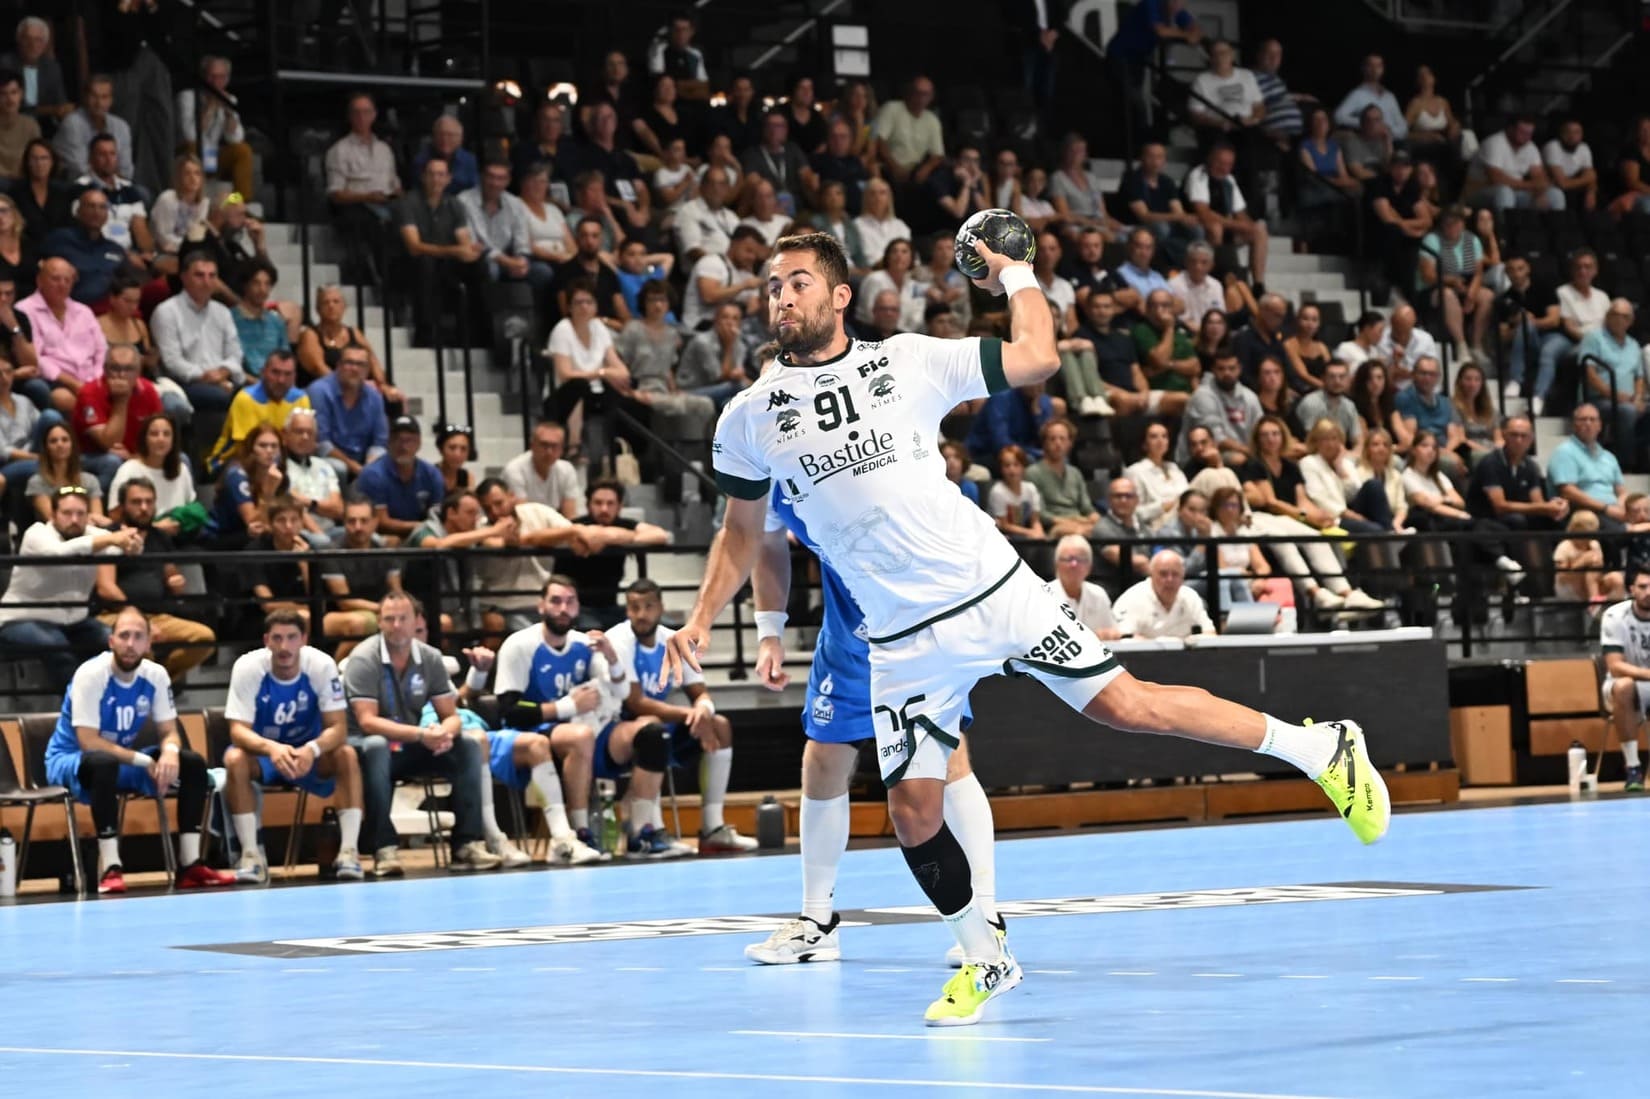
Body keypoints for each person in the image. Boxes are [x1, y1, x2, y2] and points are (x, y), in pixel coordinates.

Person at [670, 230, 1389, 1025]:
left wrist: (1016, 272)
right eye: (772, 285)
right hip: (901, 639)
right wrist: (703, 620)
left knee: (1128, 707)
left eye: (798, 282)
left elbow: (1037, 357)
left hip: (992, 590)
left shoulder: (906, 360)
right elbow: (744, 535)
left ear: (840, 296)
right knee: (911, 811)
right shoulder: (745, 418)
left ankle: (1322, 748)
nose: (781, 297)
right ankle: (985, 957)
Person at [744, 477, 1006, 965]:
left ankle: (986, 918)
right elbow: (765, 537)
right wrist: (769, 632)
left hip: (918, 633)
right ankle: (817, 922)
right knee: (822, 761)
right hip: (849, 639)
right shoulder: (777, 472)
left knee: (947, 762)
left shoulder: (887, 453)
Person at [43, 607, 235, 894]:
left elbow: (169, 730)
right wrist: (145, 759)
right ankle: (111, 868)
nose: (130, 643)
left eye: (137, 637)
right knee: (104, 762)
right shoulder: (91, 674)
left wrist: (169, 752)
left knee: (192, 764)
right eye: (124, 636)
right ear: (111, 641)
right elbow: (88, 741)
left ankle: (190, 864)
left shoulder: (155, 675)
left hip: (119, 758)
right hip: (69, 759)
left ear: (148, 643)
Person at [493, 575, 682, 857]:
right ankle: (581, 833)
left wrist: (613, 658)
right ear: (541, 606)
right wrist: (566, 707)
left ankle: (640, 832)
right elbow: (509, 711)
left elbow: (619, 691)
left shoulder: (584, 643)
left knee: (652, 731)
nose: (563, 608)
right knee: (580, 736)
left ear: (578, 607)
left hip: (590, 730)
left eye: (570, 602)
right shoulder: (520, 645)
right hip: (537, 732)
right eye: (555, 601)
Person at [343, 591, 503, 876]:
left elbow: (451, 715)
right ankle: (384, 848)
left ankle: (467, 843)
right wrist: (421, 734)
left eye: (402, 618)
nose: (396, 625)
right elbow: (367, 722)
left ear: (416, 620)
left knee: (466, 744)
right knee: (378, 745)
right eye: (389, 619)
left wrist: (443, 733)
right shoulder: (363, 658)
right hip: (364, 748)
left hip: (410, 744)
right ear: (379, 622)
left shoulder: (429, 658)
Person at [608, 578, 757, 853]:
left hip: (659, 728)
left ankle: (712, 828)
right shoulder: (619, 639)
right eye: (634, 607)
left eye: (648, 607)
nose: (641, 615)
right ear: (626, 610)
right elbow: (636, 702)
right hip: (618, 731)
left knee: (720, 725)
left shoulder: (673, 639)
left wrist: (703, 711)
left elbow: (700, 692)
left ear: (661, 607)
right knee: (650, 727)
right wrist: (690, 714)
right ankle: (650, 831)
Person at [222, 610, 364, 883]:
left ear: (304, 639)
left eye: (291, 638)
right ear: (266, 640)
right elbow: (237, 731)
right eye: (277, 638)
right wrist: (272, 749)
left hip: (309, 754)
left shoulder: (321, 665)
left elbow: (339, 728)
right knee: (235, 759)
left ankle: (349, 852)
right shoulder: (247, 667)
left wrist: (312, 749)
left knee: (346, 754)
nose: (284, 646)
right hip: (266, 755)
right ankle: (251, 855)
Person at [0, 484, 140, 689]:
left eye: (80, 513)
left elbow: (122, 549)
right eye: (67, 513)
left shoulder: (94, 535)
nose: (74, 520)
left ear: (87, 515)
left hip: (75, 621)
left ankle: (121, 701)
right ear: (53, 515)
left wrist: (133, 545)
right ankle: (78, 708)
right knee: (55, 644)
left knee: (114, 641)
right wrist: (112, 538)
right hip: (21, 619)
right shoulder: (37, 534)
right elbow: (59, 553)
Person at [554, 478, 671, 628]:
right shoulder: (575, 526)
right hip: (578, 608)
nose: (604, 509)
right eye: (598, 503)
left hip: (612, 608)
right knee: (593, 631)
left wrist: (610, 537)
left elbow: (660, 535)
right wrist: (621, 537)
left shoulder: (624, 525)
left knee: (668, 625)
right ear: (588, 505)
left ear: (619, 506)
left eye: (610, 504)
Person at [1466, 414, 1569, 571]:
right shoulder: (1491, 463)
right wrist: (1545, 507)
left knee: (1557, 521)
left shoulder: (1530, 466)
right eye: (1514, 435)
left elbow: (1537, 503)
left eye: (1524, 436)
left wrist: (1555, 507)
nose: (1519, 440)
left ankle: (1560, 566)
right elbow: (1500, 506)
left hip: (1518, 518)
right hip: (1489, 518)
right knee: (1515, 520)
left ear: (1531, 439)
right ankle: (1516, 569)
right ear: (1504, 435)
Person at [152, 252, 245, 418]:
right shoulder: (167, 311)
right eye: (199, 275)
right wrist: (209, 376)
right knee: (224, 397)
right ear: (184, 277)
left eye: (212, 276)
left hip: (222, 379)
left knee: (259, 395)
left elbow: (235, 353)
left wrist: (223, 372)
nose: (207, 282)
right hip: (185, 383)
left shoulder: (222, 311)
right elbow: (172, 362)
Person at [16, 257, 104, 418]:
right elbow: (36, 358)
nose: (62, 284)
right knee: (63, 399)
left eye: (67, 280)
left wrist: (96, 380)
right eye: (55, 279)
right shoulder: (24, 310)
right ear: (39, 281)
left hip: (92, 379)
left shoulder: (84, 311)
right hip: (56, 381)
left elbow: (101, 350)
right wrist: (74, 384)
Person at [74, 344, 162, 490]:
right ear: (105, 370)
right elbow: (109, 443)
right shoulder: (89, 393)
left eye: (128, 369)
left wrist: (135, 457)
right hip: (92, 456)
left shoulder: (148, 391)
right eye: (115, 368)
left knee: (180, 459)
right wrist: (122, 400)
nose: (121, 375)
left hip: (135, 454)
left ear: (138, 371)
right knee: (112, 461)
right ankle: (96, 507)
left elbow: (160, 437)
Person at [206, 349, 308, 473]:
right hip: (231, 462)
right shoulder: (246, 399)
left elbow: (303, 443)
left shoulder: (301, 398)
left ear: (295, 377)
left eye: (287, 374)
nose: (281, 380)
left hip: (281, 460)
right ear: (263, 372)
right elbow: (247, 449)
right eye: (275, 372)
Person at [1417, 205, 1494, 366]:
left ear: (1462, 224)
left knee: (1487, 296)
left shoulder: (1472, 240)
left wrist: (1472, 294)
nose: (1452, 227)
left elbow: (1478, 272)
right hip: (1436, 286)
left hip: (1465, 284)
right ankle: (1461, 345)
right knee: (1448, 295)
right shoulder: (1432, 240)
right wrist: (1451, 281)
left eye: (1456, 222)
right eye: (1448, 223)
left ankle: (1477, 344)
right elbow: (1428, 275)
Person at [1184, 143, 1269, 287]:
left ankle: (1258, 284)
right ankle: (1217, 274)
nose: (1224, 168)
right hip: (1198, 225)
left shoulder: (1229, 180)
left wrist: (1249, 226)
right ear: (1211, 159)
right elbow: (1203, 212)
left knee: (1260, 228)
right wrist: (1236, 224)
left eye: (1228, 164)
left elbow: (1240, 213)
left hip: (1227, 225)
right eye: (1220, 163)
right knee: (1215, 228)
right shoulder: (1198, 175)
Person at [355, 415, 445, 541]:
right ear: (388, 442)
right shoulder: (373, 474)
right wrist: (421, 526)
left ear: (419, 443)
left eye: (409, 440)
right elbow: (381, 522)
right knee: (392, 540)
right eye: (397, 440)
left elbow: (437, 515)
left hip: (422, 536)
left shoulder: (432, 474)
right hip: (380, 536)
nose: (403, 446)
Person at [1600, 571, 1650, 791]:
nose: (1649, 592)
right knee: (1624, 687)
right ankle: (1633, 768)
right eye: (1643, 586)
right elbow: (1615, 666)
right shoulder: (1614, 615)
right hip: (1622, 684)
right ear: (1632, 589)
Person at [307, 343, 388, 479]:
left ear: (368, 370)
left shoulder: (375, 397)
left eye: (360, 364)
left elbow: (379, 442)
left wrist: (370, 464)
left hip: (364, 461)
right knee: (339, 468)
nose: (355, 369)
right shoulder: (320, 391)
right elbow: (321, 443)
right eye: (349, 363)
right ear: (338, 366)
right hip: (329, 459)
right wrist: (354, 467)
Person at [1578, 299, 1646, 461]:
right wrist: (1613, 394)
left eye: (1624, 316)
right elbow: (1589, 372)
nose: (1619, 319)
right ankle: (1625, 464)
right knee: (1627, 412)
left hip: (1627, 400)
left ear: (1631, 321)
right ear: (1607, 316)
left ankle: (1643, 461)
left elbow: (1639, 377)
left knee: (1640, 410)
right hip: (1597, 400)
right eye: (1614, 314)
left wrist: (1637, 398)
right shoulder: (1594, 337)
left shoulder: (1633, 344)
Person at [1121, 142, 1203, 267]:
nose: (1155, 161)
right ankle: (1173, 263)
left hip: (1169, 225)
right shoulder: (1132, 180)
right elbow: (1144, 216)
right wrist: (1178, 217)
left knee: (1196, 229)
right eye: (1151, 157)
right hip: (1139, 226)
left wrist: (1186, 219)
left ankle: (1196, 260)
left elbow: (1178, 211)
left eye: (1159, 157)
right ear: (1142, 158)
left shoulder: (1167, 181)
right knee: (1161, 228)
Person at [1548, 404, 1628, 531]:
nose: (1588, 423)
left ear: (1600, 425)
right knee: (1618, 530)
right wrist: (1606, 508)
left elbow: (1621, 491)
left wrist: (1625, 506)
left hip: (1612, 510)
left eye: (1592, 419)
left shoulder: (1609, 456)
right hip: (1583, 512)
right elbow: (1568, 492)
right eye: (1583, 419)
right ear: (1574, 425)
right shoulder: (1565, 452)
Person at [1500, 253, 1566, 407]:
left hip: (1554, 336)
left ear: (1528, 269)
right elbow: (1502, 335)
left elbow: (1554, 320)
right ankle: (1516, 381)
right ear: (1506, 272)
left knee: (1548, 351)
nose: (1516, 273)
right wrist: (1519, 327)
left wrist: (1530, 321)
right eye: (1511, 270)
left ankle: (1537, 396)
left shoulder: (1544, 288)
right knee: (1525, 325)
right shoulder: (1504, 299)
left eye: (1520, 269)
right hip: (1526, 340)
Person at [1180, 345, 1261, 466]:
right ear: (1213, 370)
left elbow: (1261, 429)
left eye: (1231, 368)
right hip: (1201, 455)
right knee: (1239, 459)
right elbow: (1217, 440)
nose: (1227, 373)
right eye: (1221, 369)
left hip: (1245, 451)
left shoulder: (1250, 397)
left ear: (1239, 369)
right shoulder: (1203, 396)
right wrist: (1251, 452)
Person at [1111, 549, 1216, 639]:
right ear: (1151, 575)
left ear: (1182, 577)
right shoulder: (1132, 599)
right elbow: (1122, 637)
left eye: (1175, 574)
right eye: (1163, 574)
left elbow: (1210, 633)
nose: (1169, 579)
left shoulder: (1190, 597)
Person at [1467, 116, 1564, 212]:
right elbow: (1496, 179)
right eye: (1522, 132)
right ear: (1510, 129)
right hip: (1479, 191)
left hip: (1516, 192)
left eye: (1529, 133)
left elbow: (1539, 175)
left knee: (1555, 194)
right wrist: (1531, 186)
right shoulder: (1494, 143)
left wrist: (1540, 192)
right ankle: (1504, 227)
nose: (1527, 137)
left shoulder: (1530, 147)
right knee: (1504, 192)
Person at [1025, 417, 1100, 538]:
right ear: (1044, 443)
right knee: (1079, 532)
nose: (1058, 443)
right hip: (1054, 526)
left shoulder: (1075, 473)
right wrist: (1069, 522)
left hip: (1080, 522)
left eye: (1062, 439)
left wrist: (1095, 518)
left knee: (1105, 529)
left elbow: (1087, 508)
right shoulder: (1033, 473)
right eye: (1052, 439)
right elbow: (1040, 514)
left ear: (1070, 443)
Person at [53, 74, 132, 181]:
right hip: (80, 185)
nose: (99, 103)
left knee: (141, 193)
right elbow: (79, 169)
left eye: (104, 97)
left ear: (111, 100)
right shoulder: (72, 123)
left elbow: (126, 170)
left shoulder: (121, 126)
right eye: (94, 96)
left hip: (115, 183)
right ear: (85, 98)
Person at [25, 422, 104, 526]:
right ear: (46, 448)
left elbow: (99, 519)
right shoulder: (37, 482)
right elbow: (54, 519)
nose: (60, 444)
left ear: (72, 445)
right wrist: (86, 517)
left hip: (89, 534)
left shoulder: (90, 480)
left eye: (65, 440)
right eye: (53, 441)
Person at [871, 75, 945, 185]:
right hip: (888, 166)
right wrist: (894, 166)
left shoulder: (932, 120)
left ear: (931, 97)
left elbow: (938, 155)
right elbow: (878, 140)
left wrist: (926, 168)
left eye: (926, 94)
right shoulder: (891, 108)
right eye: (918, 93)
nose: (921, 98)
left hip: (915, 170)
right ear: (909, 93)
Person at [502, 419, 582, 518]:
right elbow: (524, 517)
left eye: (554, 446)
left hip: (558, 528)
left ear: (561, 450)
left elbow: (570, 516)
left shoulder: (567, 470)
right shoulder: (514, 470)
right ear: (532, 445)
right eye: (544, 445)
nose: (549, 451)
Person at [1395, 356, 1464, 470]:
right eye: (1423, 373)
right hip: (1420, 453)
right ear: (1413, 375)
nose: (1427, 378)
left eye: (1432, 374)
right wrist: (1440, 453)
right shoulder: (1405, 398)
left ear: (1438, 377)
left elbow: (1455, 436)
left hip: (1445, 450)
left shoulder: (1445, 401)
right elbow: (1411, 437)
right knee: (1451, 464)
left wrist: (1447, 452)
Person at [1045, 535, 1121, 637]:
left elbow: (1114, 633)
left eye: (1080, 559)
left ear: (1089, 566)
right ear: (1057, 564)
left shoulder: (1098, 595)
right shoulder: (1044, 596)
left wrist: (1109, 635)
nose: (1074, 564)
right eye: (1068, 559)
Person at [229, 263, 291, 380]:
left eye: (267, 284)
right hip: (242, 382)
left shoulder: (276, 322)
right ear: (245, 285)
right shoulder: (229, 318)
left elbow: (286, 358)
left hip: (276, 382)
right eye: (256, 283)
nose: (262, 289)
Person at [1126, 420, 1189, 531]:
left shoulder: (1174, 468)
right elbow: (1133, 513)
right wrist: (1162, 507)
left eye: (1164, 436)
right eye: (1154, 437)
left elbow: (1189, 496)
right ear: (1144, 444)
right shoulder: (1135, 471)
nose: (1160, 441)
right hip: (1159, 523)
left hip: (1186, 519)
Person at [1333, 54, 1407, 140]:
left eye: (1379, 66)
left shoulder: (1389, 96)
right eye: (1371, 65)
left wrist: (1389, 130)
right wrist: (1368, 123)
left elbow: (1403, 127)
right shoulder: (1358, 94)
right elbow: (1338, 117)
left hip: (1393, 142)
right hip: (1369, 144)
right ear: (1364, 68)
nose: (1375, 69)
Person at [1295, 359, 1362, 452]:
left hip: (1341, 454)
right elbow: (1311, 441)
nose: (1337, 381)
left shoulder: (1349, 405)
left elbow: (1358, 441)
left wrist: (1353, 455)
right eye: (1332, 377)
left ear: (1348, 379)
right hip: (1313, 455)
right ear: (1323, 379)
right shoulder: (1311, 402)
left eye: (1342, 377)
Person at [988, 444, 1045, 540]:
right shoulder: (998, 491)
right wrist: (1030, 532)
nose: (1012, 469)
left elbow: (1035, 520)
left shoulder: (1030, 488)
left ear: (1023, 467)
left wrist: (1039, 533)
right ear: (1001, 469)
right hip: (1000, 535)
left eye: (1016, 464)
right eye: (1007, 465)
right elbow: (1004, 525)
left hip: (1022, 535)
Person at [1374, 303, 1438, 387]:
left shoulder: (1425, 340)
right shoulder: (1379, 339)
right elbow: (1377, 375)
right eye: (1397, 329)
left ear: (1412, 326)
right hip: (1390, 392)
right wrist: (1394, 363)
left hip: (1420, 390)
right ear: (1391, 323)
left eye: (1404, 331)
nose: (1401, 335)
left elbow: (1433, 372)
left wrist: (1410, 374)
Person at [1451, 362, 1501, 466]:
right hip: (1470, 451)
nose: (1472, 384)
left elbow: (1499, 438)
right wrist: (1487, 451)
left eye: (1477, 379)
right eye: (1468, 379)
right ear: (1460, 382)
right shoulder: (1452, 407)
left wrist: (1499, 449)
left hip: (1492, 450)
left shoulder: (1489, 409)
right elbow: (1461, 439)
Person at [0, 68, 40, 179]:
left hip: (25, 182)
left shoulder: (30, 125)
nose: (10, 99)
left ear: (21, 94)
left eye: (14, 92)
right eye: (3, 94)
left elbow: (36, 157)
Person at [1283, 302, 1331, 394]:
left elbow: (1330, 370)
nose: (1310, 324)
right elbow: (1303, 375)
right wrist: (1328, 388)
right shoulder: (1289, 344)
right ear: (1297, 320)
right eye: (1305, 319)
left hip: (1323, 390)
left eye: (1314, 320)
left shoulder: (1321, 347)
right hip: (1300, 389)